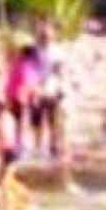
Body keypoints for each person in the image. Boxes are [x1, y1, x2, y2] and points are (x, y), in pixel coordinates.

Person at [30, 23, 67, 162]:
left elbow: (59, 71)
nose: (45, 37)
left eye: (47, 35)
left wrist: (61, 87)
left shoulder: (56, 52)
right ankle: (37, 148)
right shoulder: (32, 51)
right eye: (42, 35)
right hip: (36, 90)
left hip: (51, 90)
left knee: (53, 120)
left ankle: (53, 148)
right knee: (37, 122)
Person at [3, 45, 42, 156]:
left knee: (15, 123)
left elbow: (9, 82)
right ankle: (19, 147)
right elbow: (28, 83)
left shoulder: (17, 64)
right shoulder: (27, 66)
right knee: (21, 123)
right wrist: (34, 97)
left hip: (12, 96)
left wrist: (7, 97)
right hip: (21, 98)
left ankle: (15, 146)